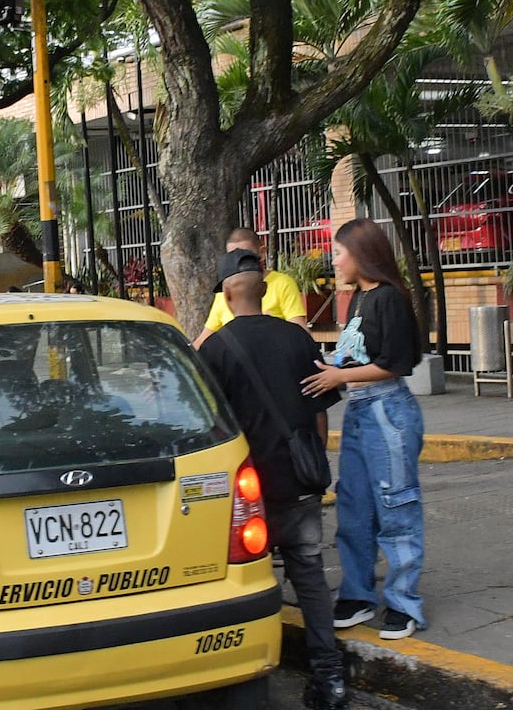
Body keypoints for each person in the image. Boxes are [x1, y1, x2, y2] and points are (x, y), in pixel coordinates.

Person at [197, 250, 347, 710]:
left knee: (249, 583)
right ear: (263, 290)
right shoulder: (298, 339)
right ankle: (330, 677)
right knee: (309, 576)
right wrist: (312, 460)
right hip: (299, 479)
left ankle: (249, 672)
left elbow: (210, 427)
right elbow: (319, 412)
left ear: (226, 295)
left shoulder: (214, 350)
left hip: (247, 493)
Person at [302, 218, 426, 642]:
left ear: (361, 254)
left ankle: (403, 603)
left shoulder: (388, 298)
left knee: (396, 506)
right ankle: (357, 596)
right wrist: (328, 367)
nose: (334, 261)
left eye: (338, 252)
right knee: (354, 507)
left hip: (387, 411)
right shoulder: (358, 298)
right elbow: (355, 356)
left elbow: (396, 363)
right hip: (359, 411)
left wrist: (339, 377)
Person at [192, 227, 308, 349]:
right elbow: (203, 338)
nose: (238, 261)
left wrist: (272, 327)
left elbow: (300, 332)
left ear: (262, 253)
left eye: (246, 256)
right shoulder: (223, 290)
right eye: (232, 256)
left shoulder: (283, 284)